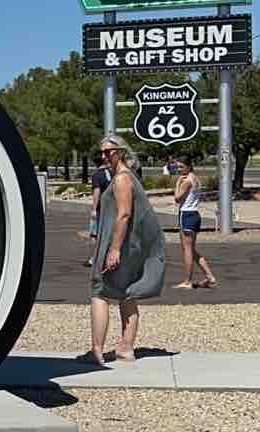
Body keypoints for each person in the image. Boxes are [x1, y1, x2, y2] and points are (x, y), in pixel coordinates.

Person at [89, 135, 165, 365]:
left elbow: (124, 215)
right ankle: (126, 348)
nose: (104, 156)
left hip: (119, 244)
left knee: (100, 292)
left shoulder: (122, 178)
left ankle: (97, 351)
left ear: (121, 152)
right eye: (101, 152)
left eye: (108, 152)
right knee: (126, 291)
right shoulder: (124, 177)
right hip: (126, 245)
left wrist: (114, 250)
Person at [170, 159, 217, 289]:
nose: (179, 169)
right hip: (194, 214)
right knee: (191, 249)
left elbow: (177, 198)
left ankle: (187, 281)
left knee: (187, 250)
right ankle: (209, 276)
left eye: (181, 167)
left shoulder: (186, 181)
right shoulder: (196, 179)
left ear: (189, 166)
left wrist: (177, 183)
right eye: (177, 167)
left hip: (186, 215)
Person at [85, 154, 109, 266]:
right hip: (110, 208)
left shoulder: (97, 175)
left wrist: (94, 209)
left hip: (100, 209)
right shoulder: (111, 173)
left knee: (95, 234)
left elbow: (96, 191)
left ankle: (94, 258)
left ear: (95, 163)